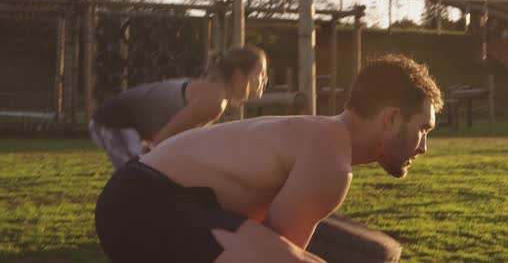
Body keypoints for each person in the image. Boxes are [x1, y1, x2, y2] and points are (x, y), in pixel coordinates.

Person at [94, 54, 443, 262]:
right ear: (392, 118)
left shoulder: (325, 138)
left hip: (156, 198)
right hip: (141, 204)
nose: (423, 146)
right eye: (423, 129)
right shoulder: (330, 158)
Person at [89, 45, 268, 171]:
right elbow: (162, 140)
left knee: (142, 174)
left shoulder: (215, 93)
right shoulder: (214, 100)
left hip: (123, 122)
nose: (265, 80)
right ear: (238, 77)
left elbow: (183, 141)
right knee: (136, 174)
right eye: (260, 74)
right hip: (114, 121)